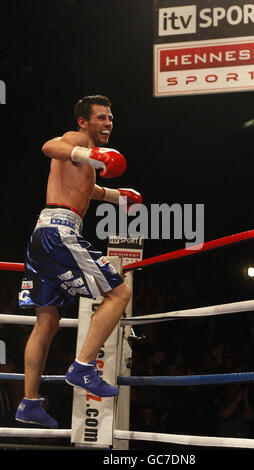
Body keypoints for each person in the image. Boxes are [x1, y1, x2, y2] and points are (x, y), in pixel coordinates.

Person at [15, 94, 142, 427]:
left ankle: (29, 403)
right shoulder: (76, 140)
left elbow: (89, 189)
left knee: (48, 322)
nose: (108, 122)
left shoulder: (85, 157)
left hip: (43, 234)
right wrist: (89, 152)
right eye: (101, 117)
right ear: (84, 121)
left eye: (110, 117)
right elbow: (48, 147)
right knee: (119, 294)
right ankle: (83, 367)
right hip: (59, 232)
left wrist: (118, 196)